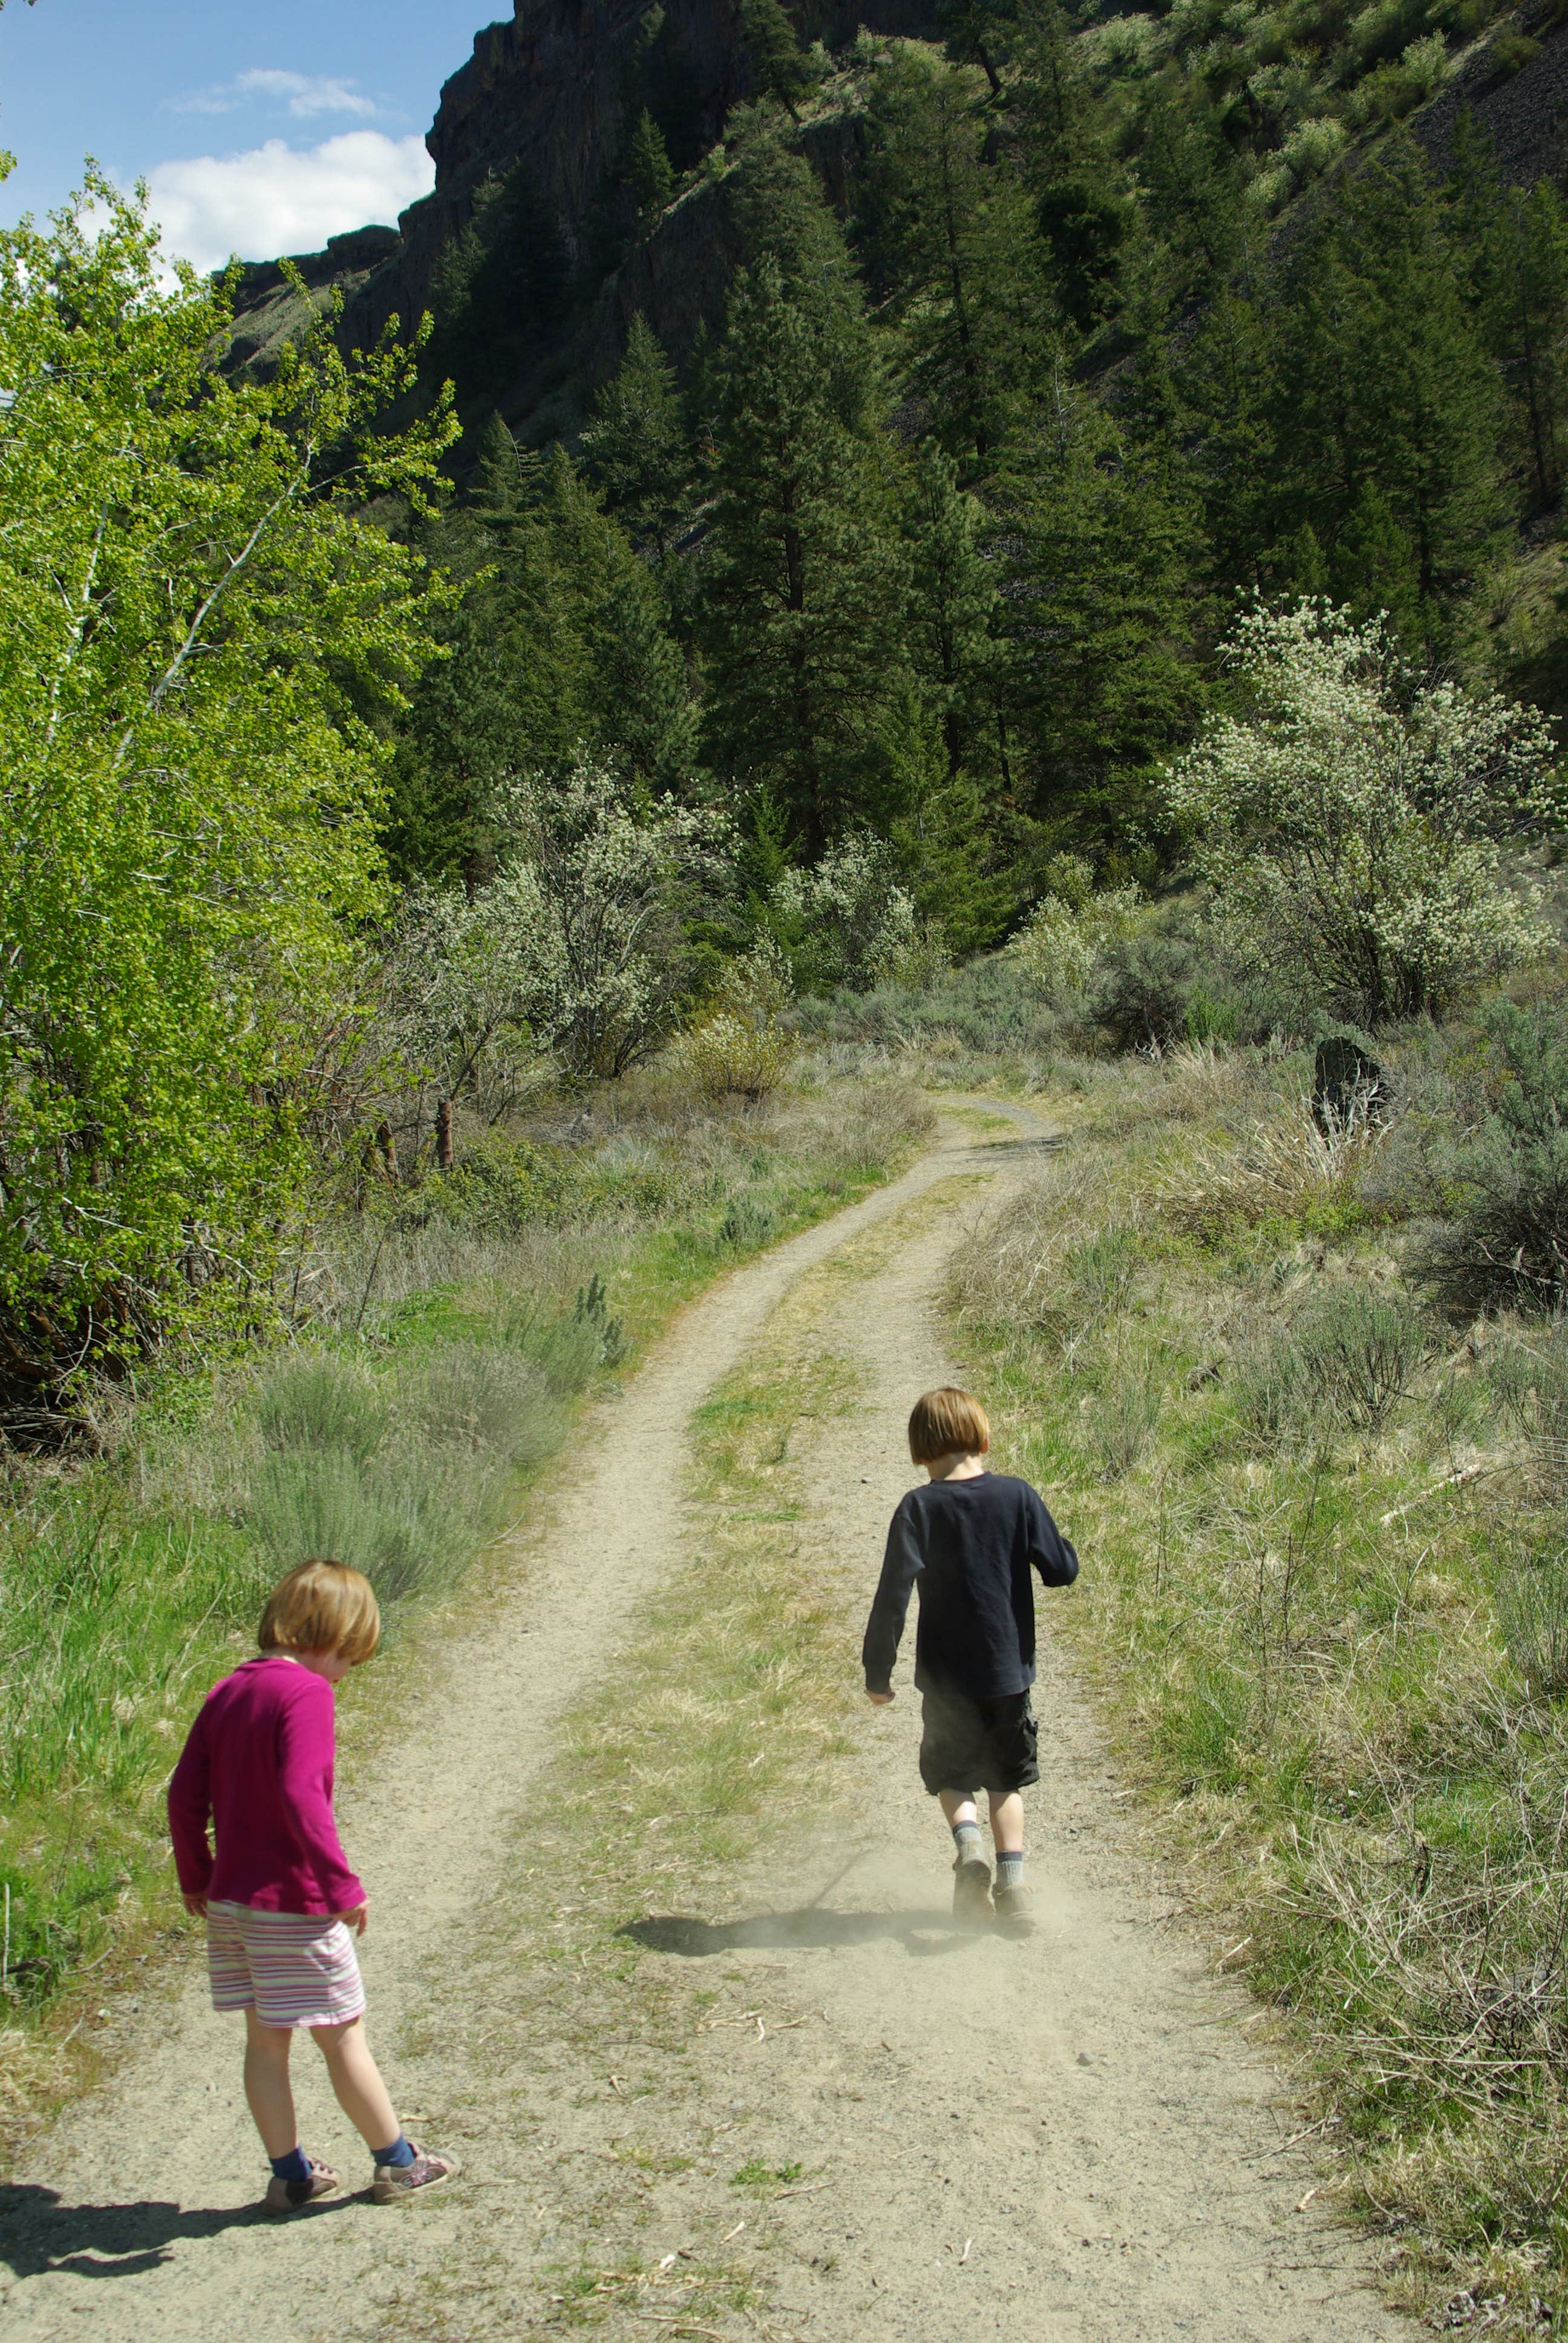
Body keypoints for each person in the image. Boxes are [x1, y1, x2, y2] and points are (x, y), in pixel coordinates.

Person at [168, 1558, 456, 2212]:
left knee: (266, 2040)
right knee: (342, 2033)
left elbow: (184, 1794)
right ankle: (399, 2162)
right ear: (329, 1636)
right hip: (294, 1903)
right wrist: (341, 1885)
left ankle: (291, 2173)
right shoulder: (305, 1694)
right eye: (351, 1655)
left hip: (233, 1902)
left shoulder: (228, 1689)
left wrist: (198, 1875)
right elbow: (304, 1798)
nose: (349, 1670)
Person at [862, 1388, 1079, 1935]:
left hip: (945, 1679)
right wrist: (1058, 1547)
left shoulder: (917, 1508)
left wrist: (877, 1672)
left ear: (919, 1451)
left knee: (951, 1776)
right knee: (1007, 1781)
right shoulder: (1017, 1497)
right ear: (983, 1438)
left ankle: (969, 1845)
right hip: (1006, 1675)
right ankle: (1015, 1887)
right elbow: (1061, 1570)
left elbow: (892, 1596)